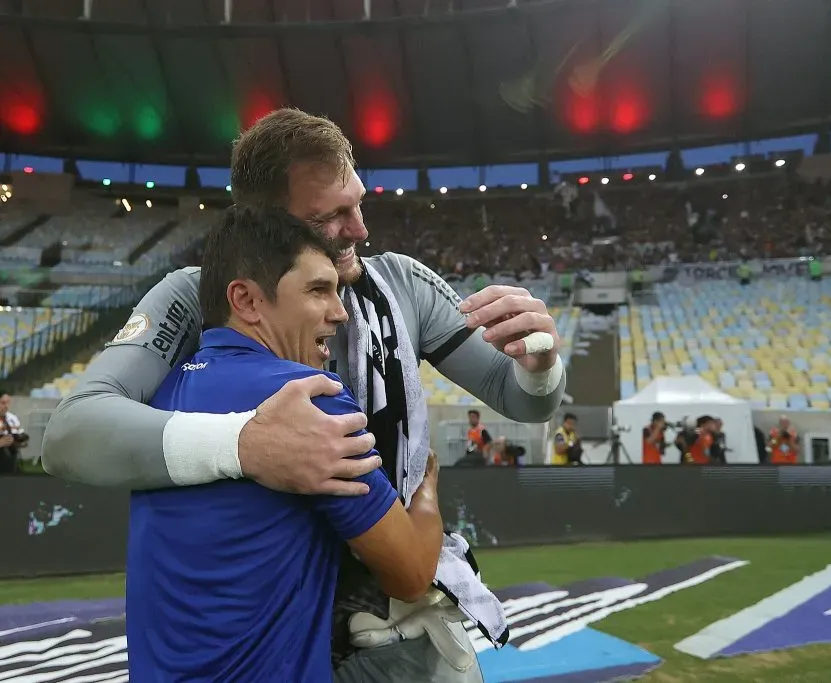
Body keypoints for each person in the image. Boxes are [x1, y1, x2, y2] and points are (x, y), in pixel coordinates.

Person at [42, 108, 565, 680]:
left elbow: (521, 400)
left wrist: (539, 365)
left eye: (358, 203)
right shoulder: (201, 295)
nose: (361, 230)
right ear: (267, 225)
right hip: (276, 620)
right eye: (332, 216)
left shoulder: (401, 285)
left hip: (392, 620)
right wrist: (247, 444)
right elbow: (71, 432)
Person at [128, 206, 444, 681]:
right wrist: (427, 497)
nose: (340, 312)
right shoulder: (309, 400)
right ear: (247, 300)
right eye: (318, 290)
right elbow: (412, 574)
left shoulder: (158, 393)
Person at [0, 390, 28, 474]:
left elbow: (16, 432)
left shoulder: (11, 418)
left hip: (11, 455)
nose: (6, 406)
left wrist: (18, 442)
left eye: (8, 403)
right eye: (3, 403)